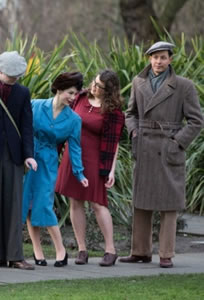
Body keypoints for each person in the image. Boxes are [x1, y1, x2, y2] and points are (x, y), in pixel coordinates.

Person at [122, 41, 203, 268]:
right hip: (145, 147)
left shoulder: (184, 86)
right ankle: (140, 251)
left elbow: (197, 121)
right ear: (149, 58)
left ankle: (166, 254)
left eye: (163, 57)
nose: (158, 61)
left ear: (170, 59)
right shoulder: (138, 82)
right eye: (155, 57)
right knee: (141, 201)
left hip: (169, 149)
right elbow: (130, 113)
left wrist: (177, 142)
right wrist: (135, 132)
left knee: (168, 204)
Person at [56, 70, 125, 267]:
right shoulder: (79, 98)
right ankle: (82, 249)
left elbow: (115, 142)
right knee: (75, 202)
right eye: (94, 83)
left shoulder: (113, 110)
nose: (94, 88)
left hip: (96, 158)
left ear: (109, 91)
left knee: (98, 203)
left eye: (100, 87)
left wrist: (111, 170)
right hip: (73, 156)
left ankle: (110, 249)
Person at [22, 72, 89, 267]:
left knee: (44, 204)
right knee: (28, 206)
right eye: (69, 92)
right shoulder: (35, 105)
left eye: (75, 94)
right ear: (59, 90)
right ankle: (37, 250)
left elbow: (75, 148)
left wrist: (79, 173)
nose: (72, 97)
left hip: (48, 163)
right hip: (27, 158)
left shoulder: (74, 119)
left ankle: (61, 250)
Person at [0, 51, 37, 270]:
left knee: (15, 204)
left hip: (14, 154)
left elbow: (26, 125)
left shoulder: (23, 92)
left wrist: (28, 154)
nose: (14, 79)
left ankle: (15, 256)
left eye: (17, 76)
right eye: (10, 75)